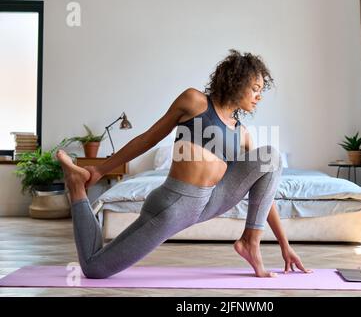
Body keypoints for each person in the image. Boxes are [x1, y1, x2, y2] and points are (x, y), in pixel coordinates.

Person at [57, 49, 311, 279]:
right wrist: (100, 170)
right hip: (173, 205)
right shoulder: (195, 102)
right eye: (255, 88)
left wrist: (284, 245)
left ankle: (249, 243)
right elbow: (147, 138)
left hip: (210, 202)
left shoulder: (242, 133)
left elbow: (264, 195)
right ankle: (77, 187)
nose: (259, 97)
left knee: (271, 158)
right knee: (94, 269)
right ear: (238, 81)